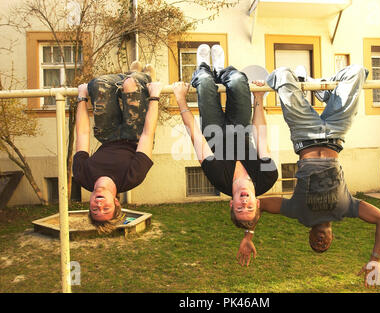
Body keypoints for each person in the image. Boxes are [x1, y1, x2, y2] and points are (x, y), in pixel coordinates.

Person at [236, 64, 380, 288]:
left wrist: (248, 235)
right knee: (356, 71)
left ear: (309, 235)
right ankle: (324, 93)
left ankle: (318, 89)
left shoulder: (299, 213)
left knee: (281, 75)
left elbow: (258, 205)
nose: (320, 243)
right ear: (332, 237)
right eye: (324, 245)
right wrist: (375, 259)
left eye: (315, 245)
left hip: (304, 134)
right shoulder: (347, 209)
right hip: (336, 133)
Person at [172, 44, 278, 233]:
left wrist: (180, 99)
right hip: (241, 128)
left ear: (231, 204)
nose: (244, 202)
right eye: (249, 207)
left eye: (239, 207)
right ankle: (221, 70)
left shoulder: (219, 180)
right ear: (258, 203)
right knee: (238, 80)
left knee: (205, 83)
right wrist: (259, 99)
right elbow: (261, 136)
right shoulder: (267, 178)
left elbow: (196, 136)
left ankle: (203, 66)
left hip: (214, 133)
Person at [74, 61, 162, 234]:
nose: (99, 205)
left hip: (108, 137)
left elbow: (82, 134)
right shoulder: (132, 178)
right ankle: (140, 77)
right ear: (116, 202)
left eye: (94, 210)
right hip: (135, 136)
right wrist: (154, 97)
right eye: (105, 209)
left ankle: (133, 74)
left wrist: (82, 97)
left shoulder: (82, 175)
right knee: (131, 85)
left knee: (97, 85)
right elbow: (147, 134)